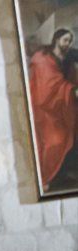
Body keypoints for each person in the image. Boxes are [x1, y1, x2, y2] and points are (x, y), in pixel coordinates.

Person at [29, 28, 78, 191]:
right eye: (65, 40)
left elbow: (67, 79)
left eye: (70, 41)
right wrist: (70, 89)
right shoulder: (44, 58)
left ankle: (60, 174)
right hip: (44, 110)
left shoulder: (66, 58)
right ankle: (45, 176)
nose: (68, 44)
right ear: (57, 39)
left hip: (61, 108)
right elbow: (47, 87)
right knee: (54, 140)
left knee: (69, 133)